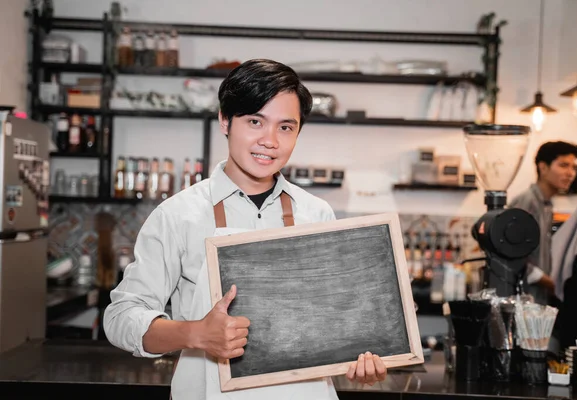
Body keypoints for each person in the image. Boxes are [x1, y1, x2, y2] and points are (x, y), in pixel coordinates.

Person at [103, 59, 387, 400]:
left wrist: (360, 356)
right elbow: (120, 316)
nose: (270, 140)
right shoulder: (178, 215)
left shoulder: (317, 213)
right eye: (255, 121)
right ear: (225, 120)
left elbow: (337, 319)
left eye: (285, 127)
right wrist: (194, 334)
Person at [508, 141, 577, 305]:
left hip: (537, 301)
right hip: (521, 302)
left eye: (573, 167)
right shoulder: (527, 202)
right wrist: (551, 283)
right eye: (563, 165)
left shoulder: (546, 205)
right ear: (543, 167)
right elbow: (512, 255)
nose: (570, 173)